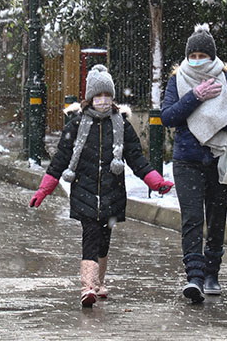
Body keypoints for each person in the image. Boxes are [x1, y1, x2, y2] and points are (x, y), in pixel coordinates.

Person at [28, 64, 174, 307]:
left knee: (104, 240)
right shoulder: (76, 124)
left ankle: (99, 282)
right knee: (91, 236)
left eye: (107, 96)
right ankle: (88, 286)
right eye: (98, 96)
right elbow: (60, 159)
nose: (103, 101)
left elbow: (136, 159)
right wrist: (44, 190)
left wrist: (156, 182)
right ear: (90, 98)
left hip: (112, 193)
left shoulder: (122, 125)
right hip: (84, 193)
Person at [161, 26, 227, 302]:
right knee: (192, 219)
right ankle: (195, 278)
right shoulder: (177, 81)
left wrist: (219, 122)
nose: (198, 59)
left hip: (219, 159)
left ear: (212, 57)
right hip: (186, 159)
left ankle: (212, 273)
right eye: (193, 54)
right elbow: (168, 116)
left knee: (216, 219)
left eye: (203, 54)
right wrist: (195, 96)